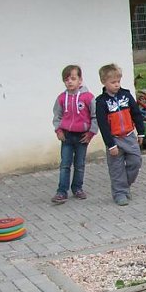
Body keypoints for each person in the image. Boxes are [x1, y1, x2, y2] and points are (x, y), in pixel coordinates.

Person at [95, 63, 145, 206]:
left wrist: (141, 133)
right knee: (116, 168)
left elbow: (136, 114)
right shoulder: (101, 101)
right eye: (113, 82)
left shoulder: (126, 95)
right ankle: (119, 193)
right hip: (114, 139)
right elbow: (103, 125)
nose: (117, 85)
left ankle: (124, 186)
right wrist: (110, 145)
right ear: (104, 82)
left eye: (118, 81)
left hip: (129, 136)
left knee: (135, 161)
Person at [51, 64, 97, 204]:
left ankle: (77, 188)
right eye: (66, 79)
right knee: (65, 164)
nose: (69, 82)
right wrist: (58, 130)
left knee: (80, 164)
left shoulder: (88, 97)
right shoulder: (61, 98)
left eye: (73, 78)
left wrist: (91, 133)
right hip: (67, 136)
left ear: (80, 80)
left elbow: (95, 116)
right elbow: (57, 116)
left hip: (82, 136)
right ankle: (61, 191)